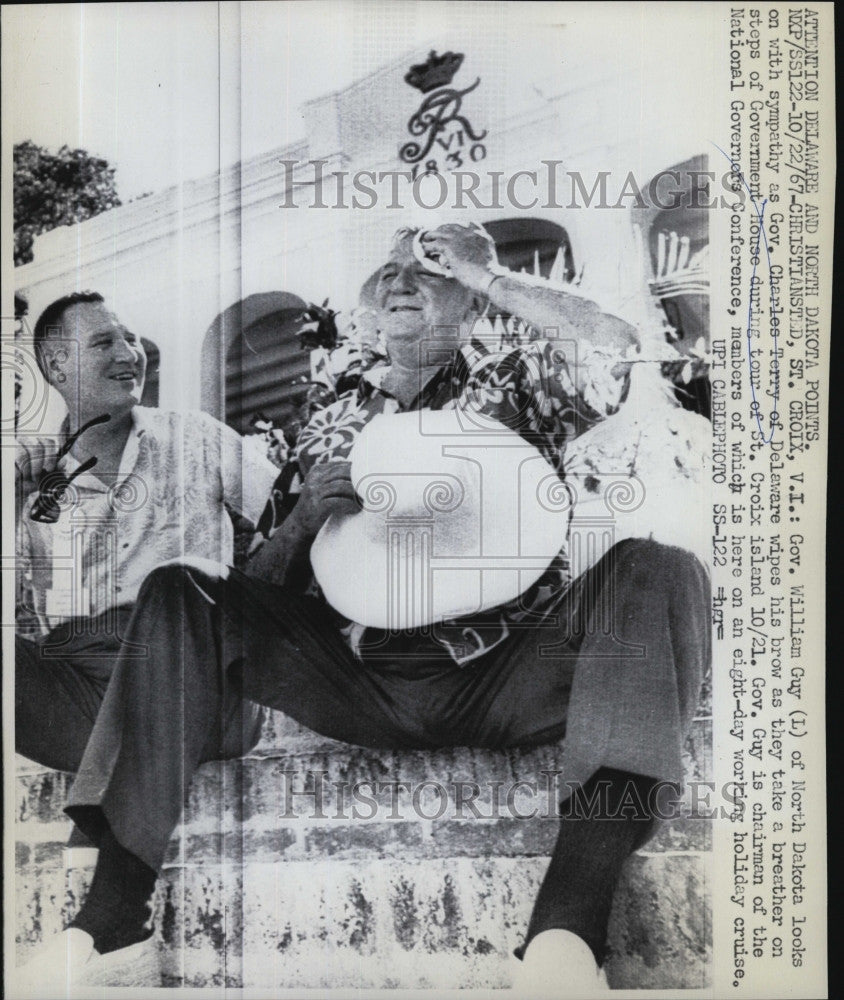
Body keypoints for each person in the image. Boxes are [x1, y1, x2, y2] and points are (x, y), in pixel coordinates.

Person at [17, 231, 710, 995]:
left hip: (507, 670)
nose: (403, 280)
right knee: (186, 589)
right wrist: (301, 520)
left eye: (432, 268)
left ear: (472, 295)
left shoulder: (523, 375)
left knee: (657, 569)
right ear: (371, 306)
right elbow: (265, 586)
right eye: (389, 271)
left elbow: (624, 347)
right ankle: (113, 921)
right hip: (362, 678)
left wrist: (491, 274)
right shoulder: (330, 414)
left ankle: (566, 932)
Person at [14, 292, 279, 979]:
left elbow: (296, 521)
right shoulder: (32, 480)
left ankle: (112, 903)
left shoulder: (199, 436)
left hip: (203, 679)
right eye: (104, 342)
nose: (130, 354)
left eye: (132, 340)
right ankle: (121, 916)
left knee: (175, 591)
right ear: (54, 362)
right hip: (81, 693)